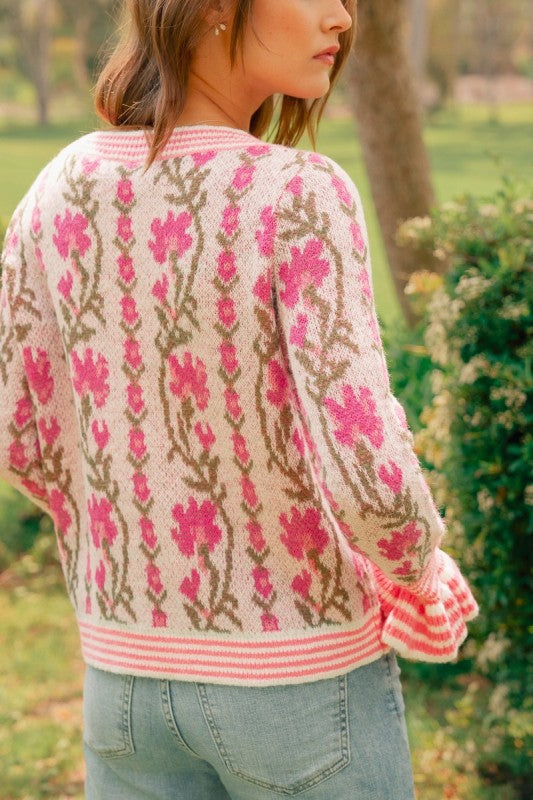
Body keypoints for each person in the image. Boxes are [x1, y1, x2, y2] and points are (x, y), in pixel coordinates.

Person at [0, 1, 479, 797]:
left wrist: (129, 555)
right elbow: (367, 471)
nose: (343, 18)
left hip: (122, 686)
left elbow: (21, 436)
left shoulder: (57, 191)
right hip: (301, 682)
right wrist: (417, 569)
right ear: (215, 6)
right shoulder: (298, 193)